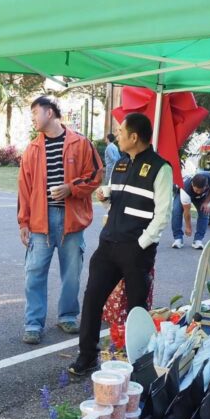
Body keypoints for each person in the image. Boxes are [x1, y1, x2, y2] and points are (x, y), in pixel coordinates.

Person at [69, 112, 172, 376]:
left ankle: (139, 362)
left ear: (134, 137)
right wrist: (105, 197)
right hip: (108, 244)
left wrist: (141, 244)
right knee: (92, 298)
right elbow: (115, 204)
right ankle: (87, 356)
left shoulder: (161, 168)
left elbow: (162, 215)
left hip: (136, 250)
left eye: (121, 131)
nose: (117, 135)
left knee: (137, 308)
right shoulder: (121, 164)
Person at [17, 96, 103, 345]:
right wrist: (23, 222)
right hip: (39, 221)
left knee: (72, 273)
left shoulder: (81, 143)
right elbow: (24, 188)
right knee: (34, 273)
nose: (33, 118)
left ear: (50, 112)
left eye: (35, 112)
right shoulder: (32, 149)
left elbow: (95, 175)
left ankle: (67, 316)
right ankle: (33, 323)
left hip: (71, 220)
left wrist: (70, 188)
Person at [170, 170, 210, 250]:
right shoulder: (185, 188)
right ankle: (178, 239)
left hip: (202, 197)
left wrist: (207, 202)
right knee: (176, 211)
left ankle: (198, 240)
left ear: (206, 186)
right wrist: (188, 227)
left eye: (201, 190)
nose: (198, 192)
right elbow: (187, 211)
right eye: (196, 190)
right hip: (183, 192)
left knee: (205, 212)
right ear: (192, 184)